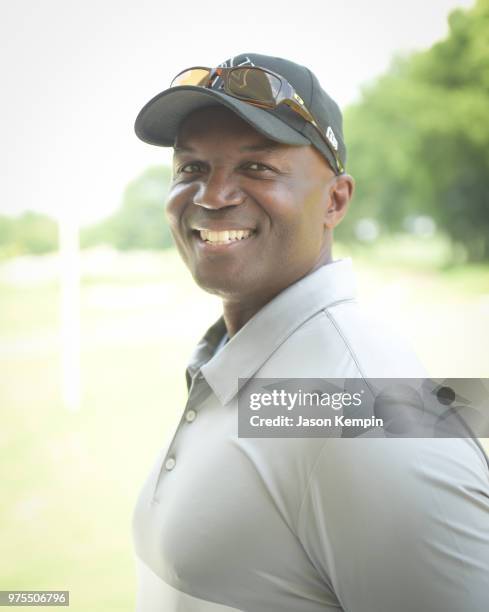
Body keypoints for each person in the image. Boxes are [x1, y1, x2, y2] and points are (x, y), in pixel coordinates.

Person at [131, 53, 489, 611]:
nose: (211, 195)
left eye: (257, 168)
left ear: (336, 200)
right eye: (191, 168)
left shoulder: (362, 407)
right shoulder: (250, 362)